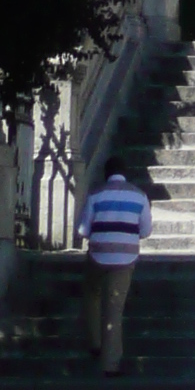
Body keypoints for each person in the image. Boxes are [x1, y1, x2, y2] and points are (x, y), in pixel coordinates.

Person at [77, 155, 151, 373]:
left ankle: (95, 343)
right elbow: (146, 231)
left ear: (105, 174)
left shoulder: (96, 194)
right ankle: (111, 364)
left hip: (99, 254)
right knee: (114, 308)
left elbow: (82, 230)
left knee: (92, 295)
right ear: (124, 173)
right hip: (125, 258)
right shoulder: (139, 196)